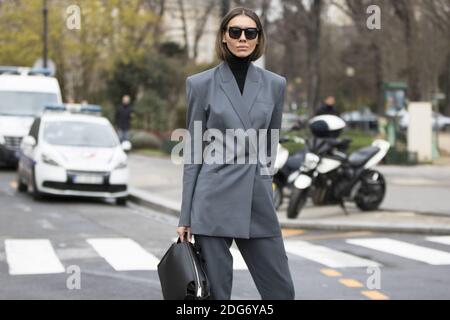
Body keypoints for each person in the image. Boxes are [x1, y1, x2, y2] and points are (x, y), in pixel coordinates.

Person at [176, 7, 295, 300]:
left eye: (250, 32)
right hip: (212, 199)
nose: (242, 38)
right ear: (224, 38)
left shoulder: (275, 84)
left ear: (258, 39)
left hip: (257, 199)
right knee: (217, 294)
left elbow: (271, 143)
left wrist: (261, 180)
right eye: (235, 32)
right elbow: (193, 152)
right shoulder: (200, 84)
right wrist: (185, 215)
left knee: (281, 291)